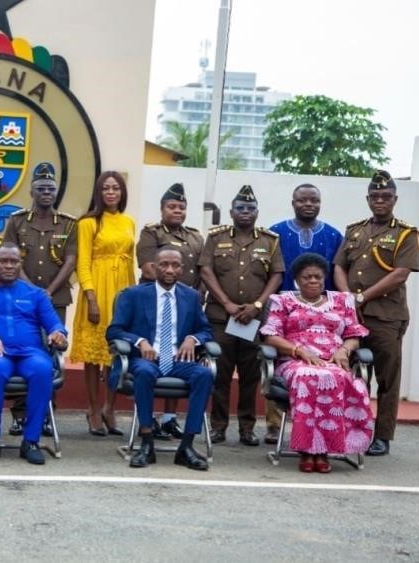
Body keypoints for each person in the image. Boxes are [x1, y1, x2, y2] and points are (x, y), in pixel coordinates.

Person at [334, 170, 419, 457]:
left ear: (395, 199)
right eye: (375, 196)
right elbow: (339, 266)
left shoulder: (405, 234)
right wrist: (348, 298)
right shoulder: (355, 230)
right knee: (352, 375)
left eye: (385, 196)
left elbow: (400, 274)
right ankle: (349, 429)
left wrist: (361, 297)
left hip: (385, 316)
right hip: (352, 317)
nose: (380, 201)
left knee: (387, 378)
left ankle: (382, 435)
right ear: (368, 199)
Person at [260, 253, 373, 473]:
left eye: (318, 277)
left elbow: (354, 334)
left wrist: (344, 350)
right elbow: (270, 335)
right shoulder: (282, 301)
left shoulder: (341, 301)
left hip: (332, 360)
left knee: (335, 376)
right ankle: (307, 450)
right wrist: (298, 350)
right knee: (308, 376)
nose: (313, 281)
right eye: (307, 277)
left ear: (324, 279)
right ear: (296, 280)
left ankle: (323, 450)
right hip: (294, 361)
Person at [107, 248, 214, 470]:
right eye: (164, 264)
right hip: (146, 359)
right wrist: (140, 342)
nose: (170, 270)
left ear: (182, 269)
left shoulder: (191, 296)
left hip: (178, 359)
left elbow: (206, 331)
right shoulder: (134, 294)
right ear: (154, 267)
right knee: (144, 373)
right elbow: (114, 330)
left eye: (175, 265)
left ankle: (186, 447)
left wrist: (193, 339)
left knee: (204, 374)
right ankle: (147, 443)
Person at [0, 243, 68, 465]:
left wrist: (58, 333)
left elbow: (55, 324)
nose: (9, 266)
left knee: (43, 369)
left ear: (20, 264)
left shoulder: (36, 294)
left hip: (30, 353)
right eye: (3, 261)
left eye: (14, 261)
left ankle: (31, 441)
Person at [198, 185, 285, 446]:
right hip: (221, 317)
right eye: (240, 208)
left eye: (250, 208)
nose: (245, 212)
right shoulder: (216, 237)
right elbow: (205, 270)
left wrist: (257, 305)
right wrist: (226, 303)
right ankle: (218, 426)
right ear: (231, 212)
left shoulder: (270, 240)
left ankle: (247, 428)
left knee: (251, 376)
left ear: (257, 212)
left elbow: (277, 276)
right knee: (219, 374)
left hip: (253, 319)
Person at [264, 183, 344, 445]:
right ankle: (274, 426)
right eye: (302, 200)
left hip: (321, 316)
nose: (308, 204)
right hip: (282, 311)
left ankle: (324, 427)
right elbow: (269, 273)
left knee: (321, 367)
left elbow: (338, 273)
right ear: (293, 202)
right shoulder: (275, 233)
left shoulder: (333, 236)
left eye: (314, 200)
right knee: (276, 362)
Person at [2, 161, 77, 436]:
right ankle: (21, 414)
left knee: (52, 352)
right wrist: (32, 290)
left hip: (55, 299)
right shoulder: (17, 221)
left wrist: (47, 291)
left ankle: (46, 414)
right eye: (41, 188)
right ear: (31, 192)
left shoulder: (69, 224)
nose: (46, 192)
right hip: (21, 298)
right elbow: (8, 254)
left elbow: (71, 260)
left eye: (51, 188)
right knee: (24, 349)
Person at [135, 182, 204, 442]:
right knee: (154, 356)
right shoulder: (151, 233)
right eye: (172, 207)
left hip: (186, 305)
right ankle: (148, 419)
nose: (177, 211)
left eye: (181, 207)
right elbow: (148, 268)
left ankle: (169, 419)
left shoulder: (196, 237)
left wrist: (192, 295)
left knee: (179, 353)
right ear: (162, 209)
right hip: (156, 300)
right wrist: (176, 289)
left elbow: (202, 269)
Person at [70, 171, 135, 437]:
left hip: (121, 290)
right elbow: (82, 262)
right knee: (93, 357)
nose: (111, 193)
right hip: (96, 289)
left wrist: (132, 298)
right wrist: (91, 296)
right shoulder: (88, 223)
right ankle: (93, 409)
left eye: (116, 188)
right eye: (106, 188)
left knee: (116, 353)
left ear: (122, 193)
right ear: (99, 192)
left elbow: (131, 261)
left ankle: (110, 407)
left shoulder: (129, 221)